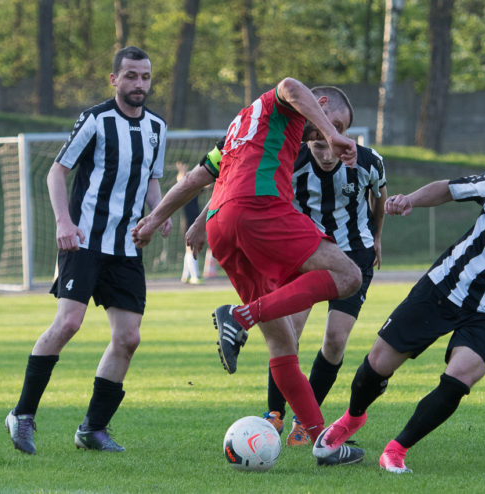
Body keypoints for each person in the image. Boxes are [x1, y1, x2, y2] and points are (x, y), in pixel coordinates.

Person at [312, 138, 485, 473]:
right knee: (377, 365)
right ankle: (352, 418)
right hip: (443, 286)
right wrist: (411, 200)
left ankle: (396, 450)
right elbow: (448, 189)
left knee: (458, 379)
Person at [133, 80, 366, 466]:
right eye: (336, 123)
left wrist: (155, 219)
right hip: (260, 209)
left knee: (282, 342)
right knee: (349, 276)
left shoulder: (241, 124)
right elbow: (290, 86)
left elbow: (196, 178)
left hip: (222, 225)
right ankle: (241, 316)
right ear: (320, 103)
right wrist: (330, 132)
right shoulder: (284, 105)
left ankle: (321, 442)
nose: (330, 135)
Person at [5, 46, 172, 454]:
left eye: (145, 76)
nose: (139, 83)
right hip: (84, 241)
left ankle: (92, 429)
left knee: (128, 338)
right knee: (68, 324)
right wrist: (64, 222)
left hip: (127, 246)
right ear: (114, 79)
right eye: (130, 75)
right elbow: (56, 172)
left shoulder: (157, 127)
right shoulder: (96, 120)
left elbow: (151, 179)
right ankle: (22, 415)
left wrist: (159, 214)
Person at [263, 134, 387, 446]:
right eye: (319, 146)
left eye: (333, 147)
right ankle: (274, 414)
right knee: (288, 332)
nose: (328, 155)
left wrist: (377, 237)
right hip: (306, 254)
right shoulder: (291, 160)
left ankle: (304, 421)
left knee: (335, 341)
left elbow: (380, 195)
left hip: (354, 256)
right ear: (308, 139)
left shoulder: (368, 161)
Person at [176, 162, 203, 284]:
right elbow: (180, 180)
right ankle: (194, 276)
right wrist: (181, 171)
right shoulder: (184, 188)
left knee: (190, 248)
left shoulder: (196, 188)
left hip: (196, 220)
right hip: (187, 221)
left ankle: (185, 276)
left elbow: (207, 184)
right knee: (191, 248)